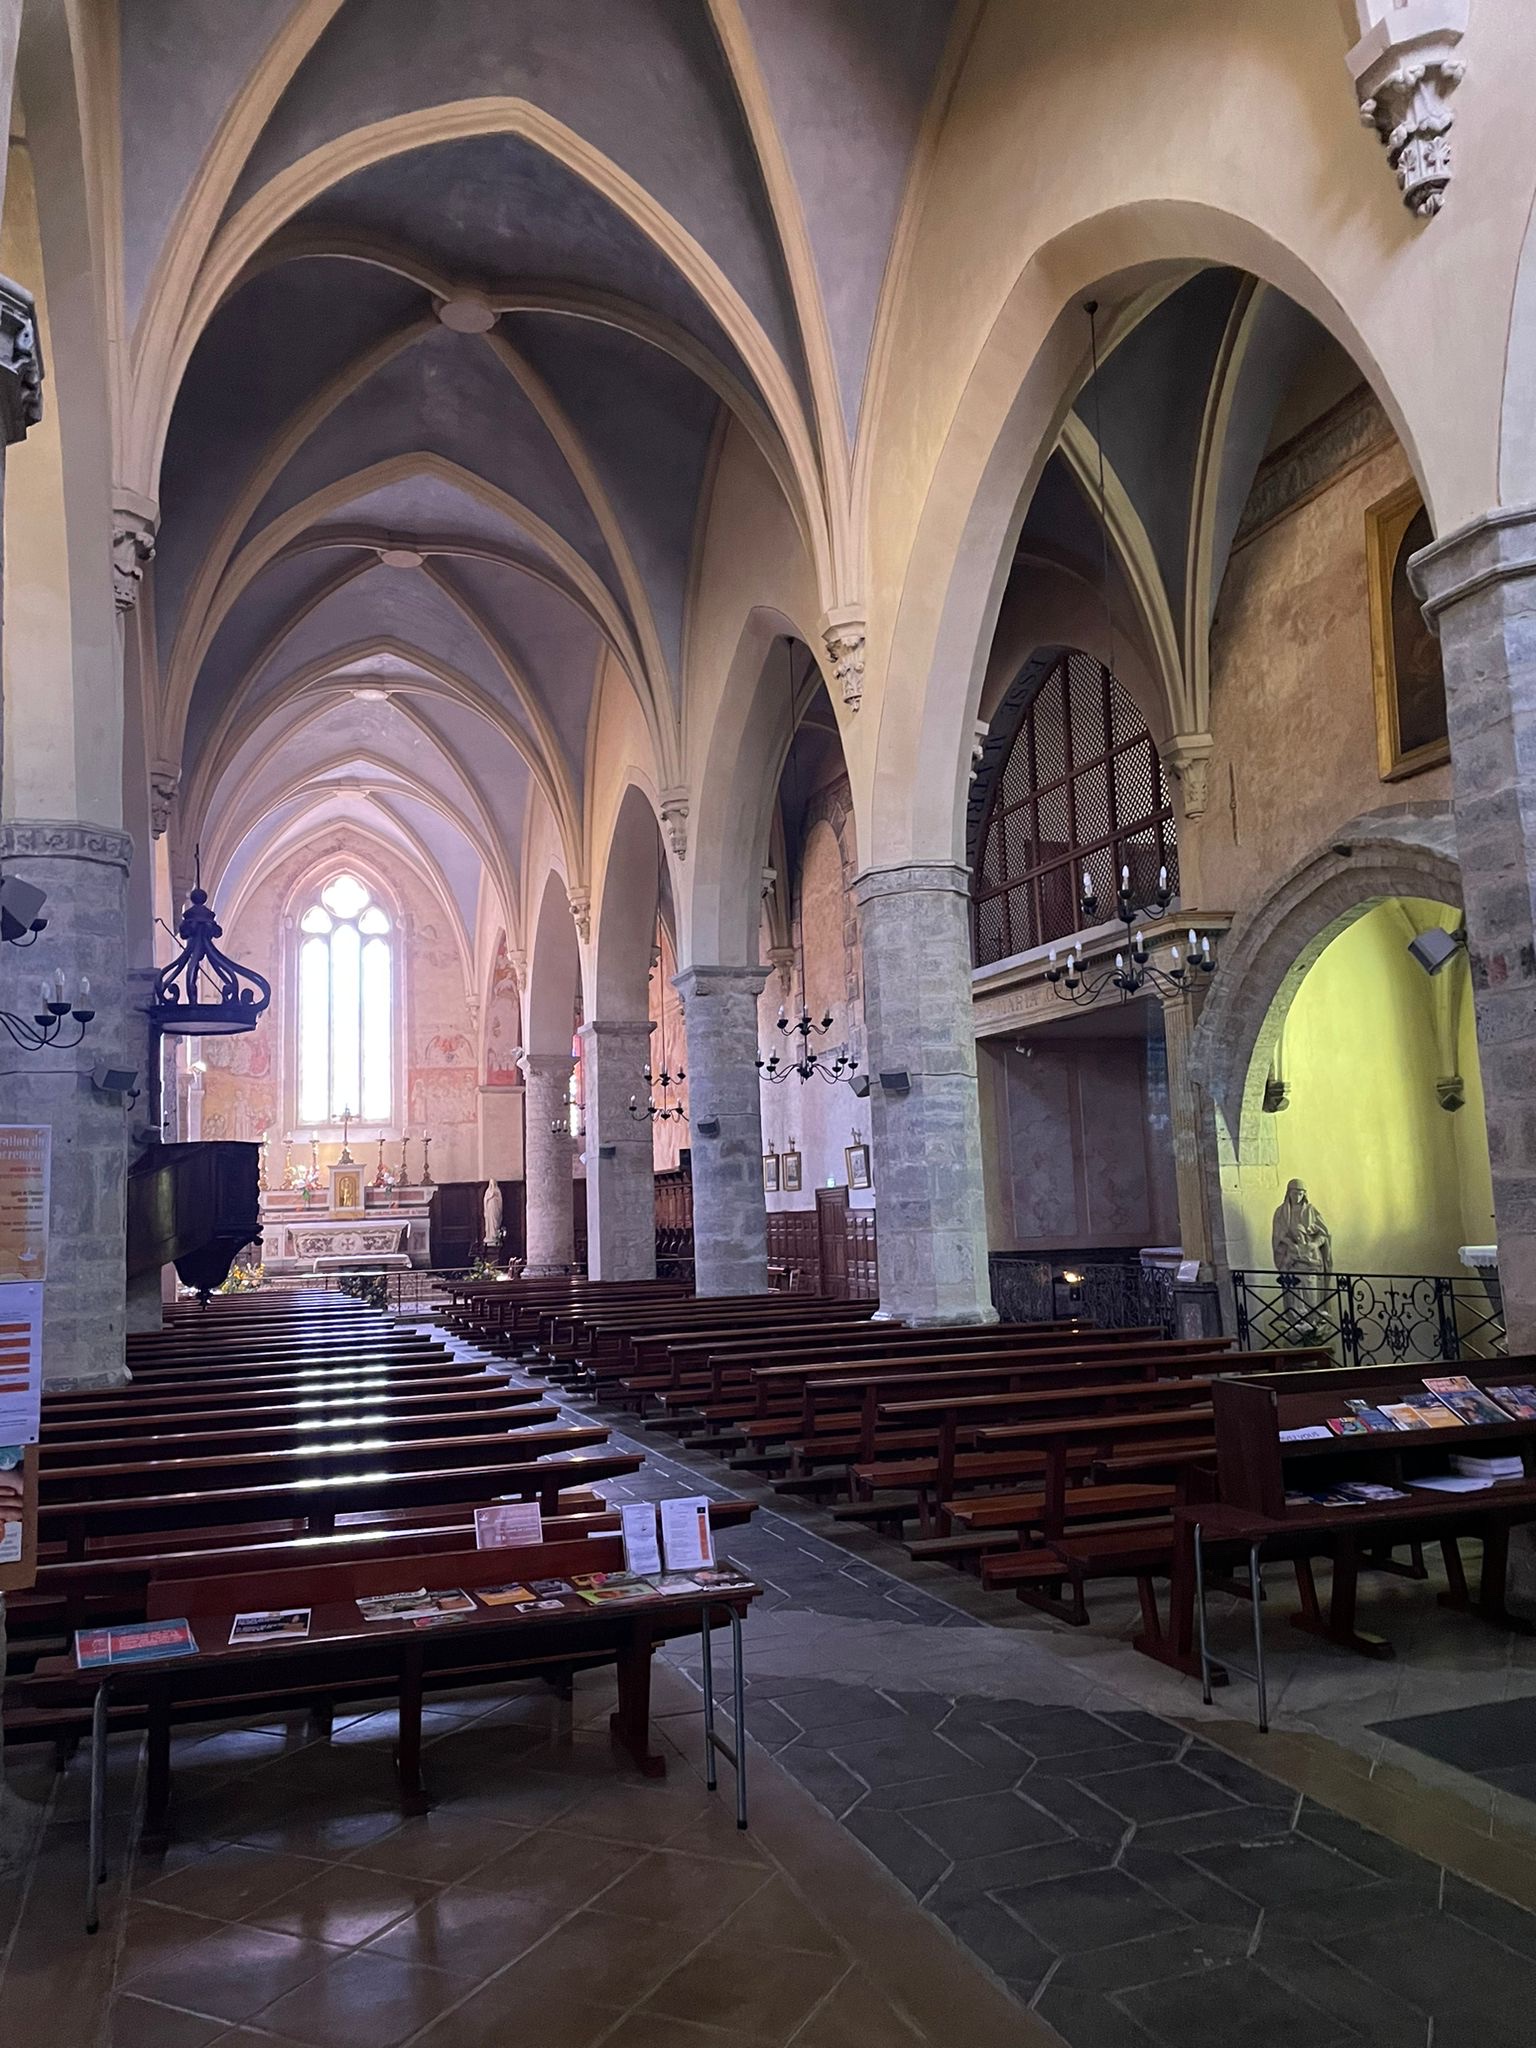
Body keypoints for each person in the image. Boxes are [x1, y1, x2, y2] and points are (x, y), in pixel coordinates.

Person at [482, 1178, 503, 1248]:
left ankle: (495, 1235)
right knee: (490, 1223)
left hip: (495, 1209)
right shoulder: (488, 1191)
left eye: (493, 1183)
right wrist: (491, 1196)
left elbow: (500, 1202)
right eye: (491, 1184)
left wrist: (495, 1197)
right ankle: (490, 1236)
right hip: (490, 1210)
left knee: (495, 1222)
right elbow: (485, 1200)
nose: (492, 1185)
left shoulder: (497, 1191)